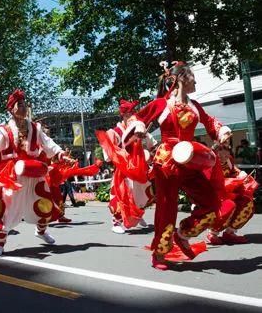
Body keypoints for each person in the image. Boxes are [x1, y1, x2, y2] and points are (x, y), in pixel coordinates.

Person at [130, 61, 235, 270]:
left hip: (190, 159)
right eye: (192, 76)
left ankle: (182, 234)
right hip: (166, 161)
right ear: (181, 79)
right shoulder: (161, 104)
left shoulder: (195, 106)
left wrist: (221, 131)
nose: (195, 80)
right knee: (167, 208)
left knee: (211, 203)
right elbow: (137, 117)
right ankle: (160, 253)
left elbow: (211, 123)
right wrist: (139, 125)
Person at [0, 89, 74, 257]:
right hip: (14, 177)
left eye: (25, 104)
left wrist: (61, 155)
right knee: (6, 211)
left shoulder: (35, 128)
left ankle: (41, 231)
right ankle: (0, 243)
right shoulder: (5, 131)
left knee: (44, 205)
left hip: (35, 174)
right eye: (20, 105)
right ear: (11, 109)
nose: (24, 107)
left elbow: (49, 144)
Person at [98, 99, 156, 234]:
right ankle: (116, 221)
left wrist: (150, 153)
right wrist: (125, 157)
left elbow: (152, 145)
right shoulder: (114, 132)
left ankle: (137, 216)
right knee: (121, 195)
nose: (133, 116)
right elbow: (109, 155)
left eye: (134, 113)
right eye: (130, 113)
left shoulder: (140, 128)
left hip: (140, 168)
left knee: (141, 193)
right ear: (123, 115)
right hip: (123, 170)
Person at [207, 144, 258, 245]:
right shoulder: (208, 165)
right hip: (214, 197)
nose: (223, 159)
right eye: (220, 157)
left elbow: (235, 171)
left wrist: (241, 175)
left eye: (226, 156)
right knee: (228, 206)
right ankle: (213, 233)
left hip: (231, 193)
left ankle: (230, 232)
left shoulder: (229, 162)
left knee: (247, 203)